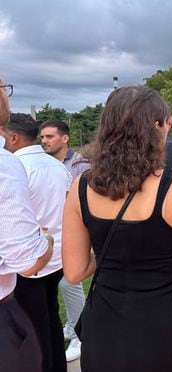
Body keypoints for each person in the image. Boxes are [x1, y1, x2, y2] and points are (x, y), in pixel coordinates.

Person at [62, 86, 172, 371]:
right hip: (165, 330)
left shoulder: (80, 187)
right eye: (168, 123)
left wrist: (118, 255)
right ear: (157, 125)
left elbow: (74, 271)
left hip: (105, 331)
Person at [1, 113, 72, 372]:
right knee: (50, 316)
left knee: (32, 325)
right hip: (56, 254)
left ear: (13, 137)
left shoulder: (14, 166)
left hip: (30, 257)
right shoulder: (58, 167)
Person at [1, 78, 55, 372]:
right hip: (37, 262)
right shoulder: (9, 165)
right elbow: (26, 260)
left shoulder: (17, 165)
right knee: (45, 323)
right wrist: (47, 242)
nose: (6, 96)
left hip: (33, 268)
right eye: (3, 88)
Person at [40, 119, 90, 362]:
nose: (44, 141)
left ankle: (81, 332)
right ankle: (73, 325)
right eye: (42, 137)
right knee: (61, 283)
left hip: (76, 231)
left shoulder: (80, 165)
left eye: (49, 137)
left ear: (64, 138)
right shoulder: (45, 164)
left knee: (70, 283)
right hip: (55, 231)